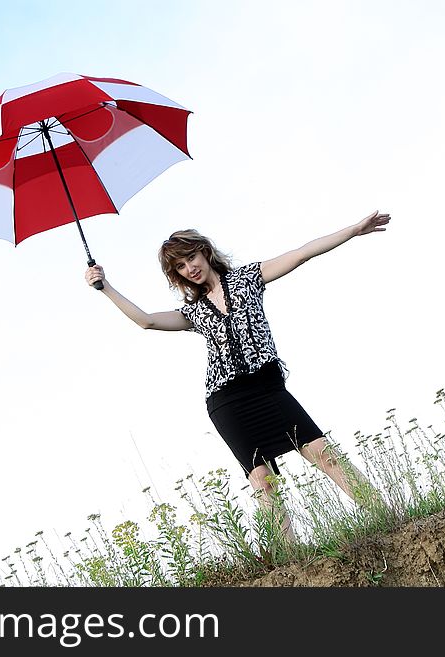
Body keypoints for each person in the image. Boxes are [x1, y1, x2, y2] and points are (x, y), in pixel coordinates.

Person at [84, 210, 392, 542]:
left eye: (192, 257)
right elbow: (146, 320)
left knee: (323, 453)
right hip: (227, 401)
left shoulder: (248, 278)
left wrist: (354, 230)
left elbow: (302, 253)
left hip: (268, 388)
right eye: (182, 267)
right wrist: (105, 287)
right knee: (262, 480)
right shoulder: (194, 312)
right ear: (178, 275)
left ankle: (389, 520)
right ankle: (290, 559)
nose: (191, 268)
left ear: (204, 251)